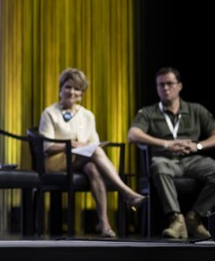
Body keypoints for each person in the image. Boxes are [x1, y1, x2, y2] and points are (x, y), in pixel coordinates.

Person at [38, 68, 145, 238]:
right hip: (57, 161)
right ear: (60, 89)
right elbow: (46, 147)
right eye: (68, 87)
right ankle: (126, 192)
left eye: (77, 89)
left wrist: (88, 146)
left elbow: (94, 142)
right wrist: (72, 144)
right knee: (95, 152)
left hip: (82, 161)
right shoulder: (49, 113)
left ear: (81, 93)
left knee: (93, 168)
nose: (72, 92)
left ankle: (105, 225)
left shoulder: (88, 115)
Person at [127, 67, 215, 239]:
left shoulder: (195, 110)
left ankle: (194, 217)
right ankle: (176, 219)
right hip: (165, 160)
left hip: (192, 160)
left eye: (169, 84)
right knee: (158, 166)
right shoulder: (149, 112)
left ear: (180, 86)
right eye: (161, 85)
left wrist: (197, 146)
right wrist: (167, 144)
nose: (165, 88)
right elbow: (133, 135)